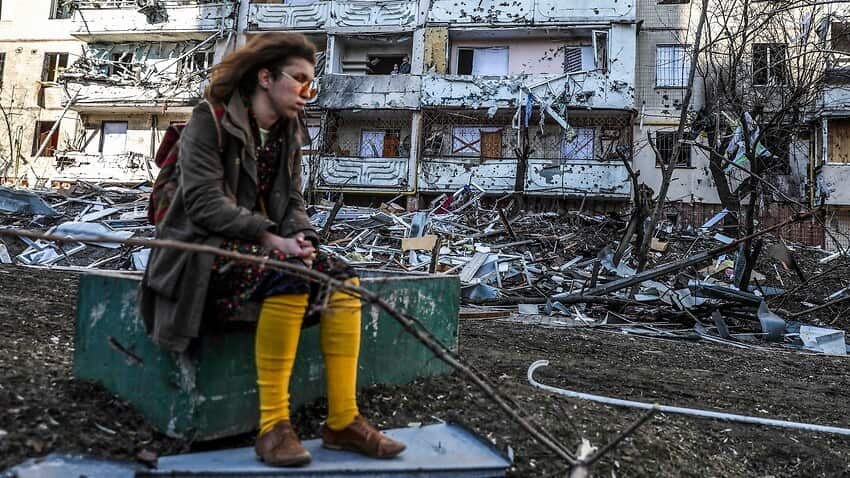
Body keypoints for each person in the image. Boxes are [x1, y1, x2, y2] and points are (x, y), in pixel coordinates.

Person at [139, 33, 405, 467]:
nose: (307, 92)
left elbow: (293, 202)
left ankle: (342, 421)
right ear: (265, 77)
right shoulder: (211, 119)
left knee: (343, 278)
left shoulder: (286, 132)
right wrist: (270, 238)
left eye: (311, 83)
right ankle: (273, 427)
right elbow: (204, 203)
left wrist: (302, 238)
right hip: (200, 252)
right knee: (289, 274)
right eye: (299, 79)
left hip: (263, 248)